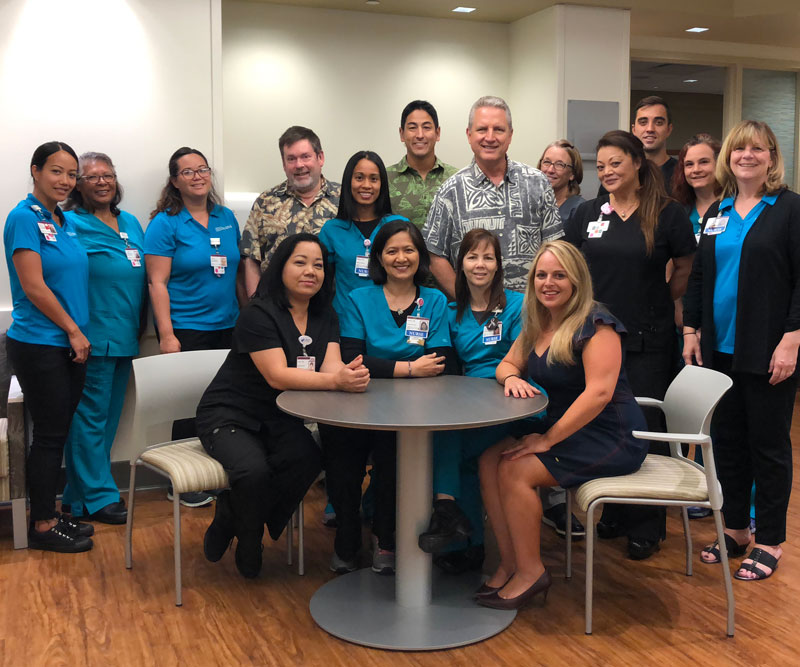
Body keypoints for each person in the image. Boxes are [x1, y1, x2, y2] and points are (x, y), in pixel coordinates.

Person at [476, 241, 647, 610]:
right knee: (491, 458)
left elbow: (599, 394)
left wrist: (547, 440)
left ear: (576, 280)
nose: (548, 283)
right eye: (541, 275)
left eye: (559, 275)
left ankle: (531, 572)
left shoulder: (597, 324)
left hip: (611, 435)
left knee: (515, 470)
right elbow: (506, 365)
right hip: (568, 429)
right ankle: (511, 562)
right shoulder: (540, 322)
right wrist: (511, 379)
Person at [196, 233, 369, 578]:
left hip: (278, 418)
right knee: (253, 471)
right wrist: (336, 382)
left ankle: (232, 512)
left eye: (318, 265)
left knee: (307, 458)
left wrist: (348, 373)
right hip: (230, 413)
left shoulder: (325, 314)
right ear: (280, 268)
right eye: (300, 262)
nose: (311, 271)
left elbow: (331, 366)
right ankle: (249, 538)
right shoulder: (258, 313)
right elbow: (277, 376)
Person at [566, 130, 696, 560]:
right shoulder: (587, 213)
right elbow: (570, 266)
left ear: (638, 163)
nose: (606, 172)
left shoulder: (667, 214)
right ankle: (615, 512)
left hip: (648, 336)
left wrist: (661, 299)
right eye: (600, 165)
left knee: (644, 429)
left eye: (615, 163)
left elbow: (685, 267)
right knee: (603, 425)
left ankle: (647, 524)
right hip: (595, 337)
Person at [683, 120, 800, 581]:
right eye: (739, 149)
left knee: (768, 447)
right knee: (727, 443)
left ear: (772, 157)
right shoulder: (719, 210)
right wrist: (691, 329)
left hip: (770, 349)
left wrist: (793, 337)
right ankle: (734, 529)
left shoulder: (789, 209)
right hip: (720, 350)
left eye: (758, 149)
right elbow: (698, 277)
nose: (747, 156)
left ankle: (770, 540)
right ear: (729, 156)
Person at [322, 219, 455, 575]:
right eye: (392, 250)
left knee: (392, 465)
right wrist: (411, 368)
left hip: (411, 409)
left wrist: (386, 364)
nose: (401, 258)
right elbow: (354, 357)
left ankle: (386, 538)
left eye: (409, 250)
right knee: (343, 462)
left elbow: (441, 359)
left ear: (420, 256)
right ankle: (348, 537)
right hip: (358, 399)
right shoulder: (358, 298)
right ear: (379, 257)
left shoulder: (435, 300)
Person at [3, 141, 93, 552]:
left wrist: (76, 334)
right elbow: (33, 286)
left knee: (57, 432)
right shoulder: (23, 218)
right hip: (41, 343)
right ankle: (41, 525)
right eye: (56, 171)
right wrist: (74, 331)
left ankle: (51, 514)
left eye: (72, 174)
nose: (65, 181)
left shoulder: (63, 220)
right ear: (36, 170)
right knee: (50, 435)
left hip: (67, 344)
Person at [417, 229, 524, 574]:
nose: (480, 264)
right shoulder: (450, 312)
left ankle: (451, 518)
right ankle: (470, 541)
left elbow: (524, 360)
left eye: (488, 257)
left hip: (511, 398)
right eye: (472, 257)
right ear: (460, 264)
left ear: (498, 265)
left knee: (451, 443)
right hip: (469, 401)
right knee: (461, 452)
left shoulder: (518, 306)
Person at [144, 146, 241, 507]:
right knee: (189, 403)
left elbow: (235, 273)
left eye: (203, 169)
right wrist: (166, 335)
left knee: (225, 402)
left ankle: (219, 469)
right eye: (188, 172)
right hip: (187, 328)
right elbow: (156, 284)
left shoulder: (226, 217)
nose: (198, 176)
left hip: (228, 325)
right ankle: (182, 482)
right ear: (174, 181)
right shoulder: (165, 223)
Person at [61, 152, 146, 525]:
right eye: (92, 176)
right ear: (78, 184)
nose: (101, 182)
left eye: (108, 175)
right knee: (90, 417)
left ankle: (76, 498)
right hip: (91, 336)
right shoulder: (70, 223)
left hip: (127, 333)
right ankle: (99, 496)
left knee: (109, 419)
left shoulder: (130, 222)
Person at [423, 95, 563, 298]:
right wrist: (467, 301)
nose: (490, 137)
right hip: (474, 320)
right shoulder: (450, 191)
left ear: (510, 135)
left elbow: (555, 248)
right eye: (482, 129)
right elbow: (434, 255)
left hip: (531, 314)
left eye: (498, 129)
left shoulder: (538, 183)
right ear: (469, 134)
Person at [240, 126, 341, 297]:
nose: (299, 165)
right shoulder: (266, 202)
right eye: (291, 159)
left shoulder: (344, 199)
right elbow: (251, 258)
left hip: (331, 310)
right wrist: (256, 306)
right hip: (275, 310)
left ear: (320, 158)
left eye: (305, 157)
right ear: (284, 164)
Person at [319, 151, 406, 317]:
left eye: (374, 179)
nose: (367, 185)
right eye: (359, 178)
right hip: (345, 321)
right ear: (348, 182)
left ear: (382, 184)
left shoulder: (398, 226)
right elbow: (323, 284)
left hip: (390, 318)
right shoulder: (332, 230)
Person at [386, 100, 457, 230]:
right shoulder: (384, 179)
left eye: (426, 127)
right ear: (402, 134)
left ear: (437, 133)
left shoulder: (456, 178)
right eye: (412, 128)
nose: (420, 135)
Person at [671, 133, 722, 237]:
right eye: (689, 164)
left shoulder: (735, 206)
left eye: (704, 162)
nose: (696, 170)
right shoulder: (677, 211)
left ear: (719, 163)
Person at [537, 140, 584, 223]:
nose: (550, 170)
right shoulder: (531, 203)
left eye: (559, 164)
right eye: (547, 162)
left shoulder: (579, 209)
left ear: (572, 174)